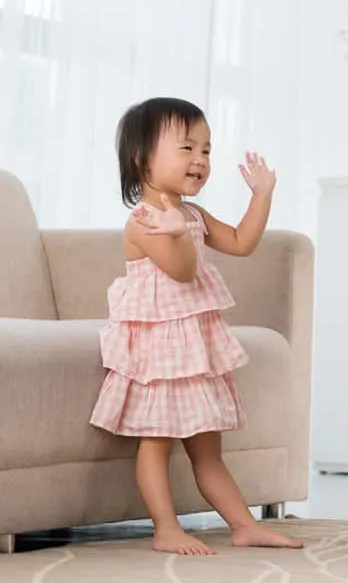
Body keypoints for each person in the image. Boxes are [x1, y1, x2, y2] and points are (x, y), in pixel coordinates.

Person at [89, 97, 303, 556]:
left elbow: (243, 243)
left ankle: (243, 524)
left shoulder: (190, 215)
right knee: (158, 442)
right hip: (159, 353)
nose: (200, 160)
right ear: (141, 158)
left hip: (194, 349)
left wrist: (261, 196)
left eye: (206, 150)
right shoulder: (145, 221)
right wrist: (176, 234)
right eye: (187, 148)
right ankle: (165, 527)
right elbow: (182, 272)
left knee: (209, 450)